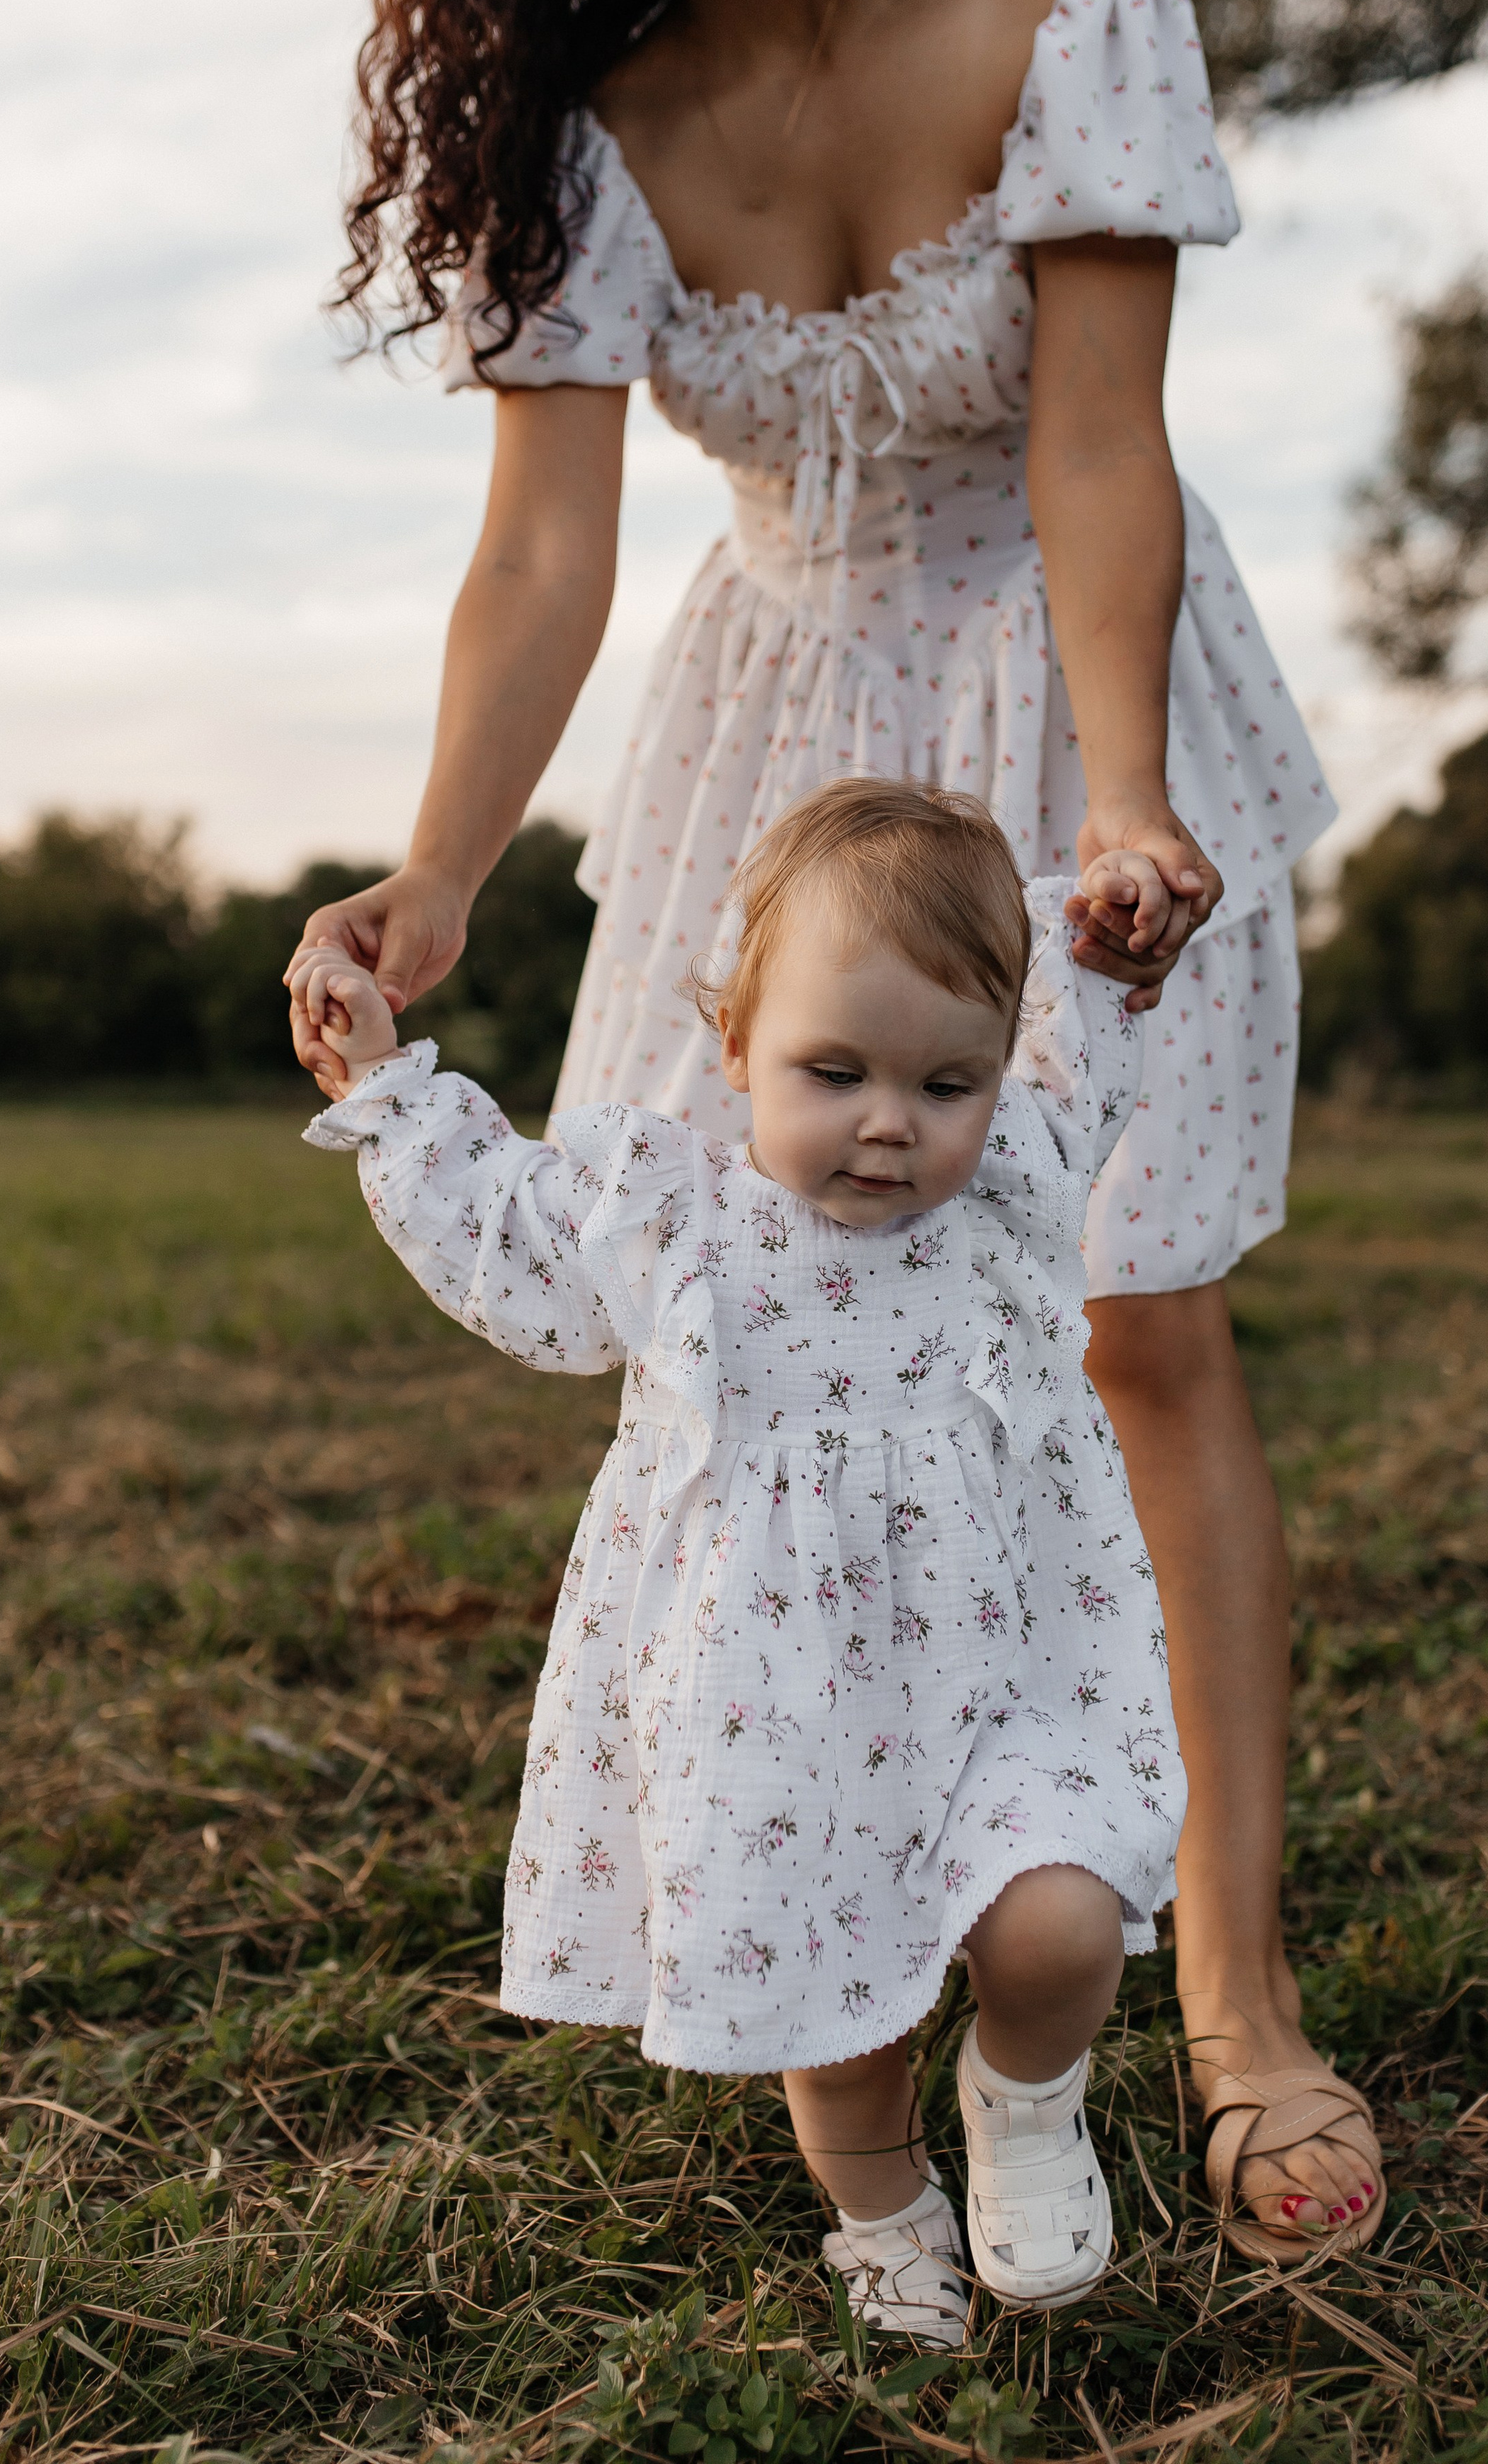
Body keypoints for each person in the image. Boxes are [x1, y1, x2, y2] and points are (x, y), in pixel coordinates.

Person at [288, 0, 1383, 2263]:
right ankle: (865, 1920)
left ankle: (1221, 1985)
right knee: (766, 1334)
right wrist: (439, 872)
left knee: (1135, 1329)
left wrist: (1121, 812)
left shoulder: (1066, 10)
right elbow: (543, 546)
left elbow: (1110, 444)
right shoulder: (588, 130)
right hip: (778, 746)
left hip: (1084, 702)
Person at [297, 778, 1189, 2340]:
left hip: (1009, 1670)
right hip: (778, 1697)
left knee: (1056, 1922)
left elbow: (1088, 1061)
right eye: (830, 1071)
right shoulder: (676, 1224)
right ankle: (882, 2209)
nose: (890, 1121)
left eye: (945, 1080)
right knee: (828, 1991)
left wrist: (1117, 960)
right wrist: (382, 1079)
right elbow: (500, 1227)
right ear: (733, 1053)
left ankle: (1022, 2101)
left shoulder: (1013, 1195)